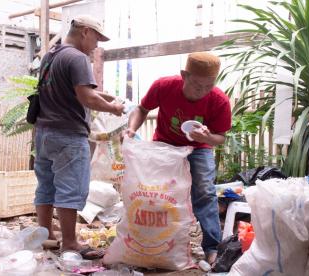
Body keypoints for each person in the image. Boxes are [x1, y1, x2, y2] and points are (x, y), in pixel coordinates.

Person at [126, 52, 232, 264]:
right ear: (184, 75)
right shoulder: (164, 86)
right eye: (197, 85)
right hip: (164, 145)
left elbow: (220, 138)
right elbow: (142, 108)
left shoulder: (219, 100)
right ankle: (150, 241)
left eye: (208, 86)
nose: (202, 92)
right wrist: (130, 129)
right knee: (155, 192)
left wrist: (207, 136)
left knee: (204, 191)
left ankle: (212, 247)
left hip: (199, 147)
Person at [33, 15, 124, 258]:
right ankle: (70, 243)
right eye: (96, 37)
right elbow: (87, 97)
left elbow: (76, 90)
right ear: (85, 32)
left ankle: (47, 236)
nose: (97, 44)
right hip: (67, 134)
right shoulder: (78, 58)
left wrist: (103, 97)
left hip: (44, 133)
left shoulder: (51, 56)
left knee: (46, 185)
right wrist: (115, 109)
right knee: (70, 188)